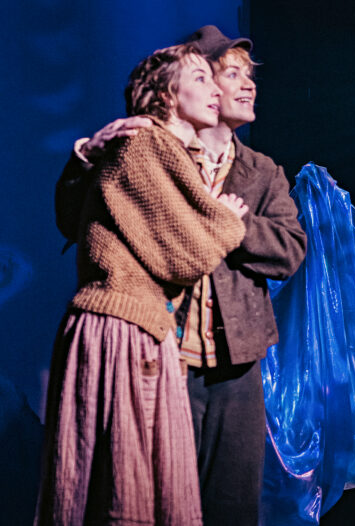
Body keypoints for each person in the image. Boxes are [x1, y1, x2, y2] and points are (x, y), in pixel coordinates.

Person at [56, 26, 307, 525]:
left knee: (231, 506)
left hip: (236, 362)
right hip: (165, 354)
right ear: (192, 86)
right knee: (161, 501)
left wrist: (229, 223)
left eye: (249, 76)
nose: (247, 85)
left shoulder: (262, 172)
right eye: (230, 74)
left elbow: (290, 250)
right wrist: (85, 156)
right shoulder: (151, 148)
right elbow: (73, 220)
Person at [36, 44, 249, 525]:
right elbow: (186, 256)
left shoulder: (159, 150)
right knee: (127, 495)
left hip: (137, 327)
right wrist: (226, 221)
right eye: (200, 78)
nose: (215, 89)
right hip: (123, 330)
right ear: (167, 94)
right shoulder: (146, 143)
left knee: (141, 490)